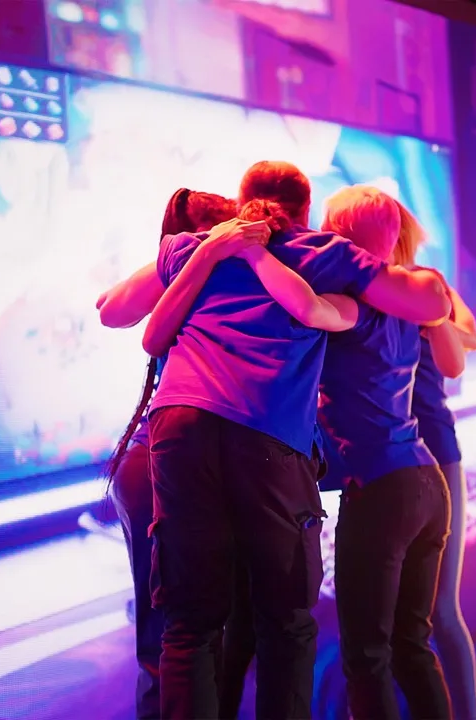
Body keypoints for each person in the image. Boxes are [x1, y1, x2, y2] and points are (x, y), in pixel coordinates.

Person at [147, 161, 452, 720]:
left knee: (203, 627)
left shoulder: (202, 250)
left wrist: (236, 251)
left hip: (194, 433)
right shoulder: (379, 295)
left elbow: (131, 320)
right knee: (397, 641)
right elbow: (445, 335)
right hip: (413, 476)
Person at [98, 187, 359, 718]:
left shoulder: (186, 254)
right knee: (276, 622)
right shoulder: (307, 254)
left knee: (184, 625)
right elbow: (346, 304)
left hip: (165, 443)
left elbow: (120, 315)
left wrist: (207, 253)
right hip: (246, 445)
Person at [96, 189, 265, 719]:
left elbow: (111, 307)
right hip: (164, 464)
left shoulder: (236, 262)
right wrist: (196, 253)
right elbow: (112, 310)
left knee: (184, 628)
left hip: (168, 460)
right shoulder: (200, 257)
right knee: (178, 632)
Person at [313, 185, 453, 720]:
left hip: (380, 489)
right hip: (423, 480)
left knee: (366, 656)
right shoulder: (407, 305)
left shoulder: (352, 306)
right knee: (410, 646)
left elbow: (304, 306)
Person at [393, 199, 476, 720]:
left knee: (437, 610)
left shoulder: (426, 284)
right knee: (408, 615)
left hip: (431, 448)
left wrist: (435, 317)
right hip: (395, 453)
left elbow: (468, 339)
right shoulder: (367, 282)